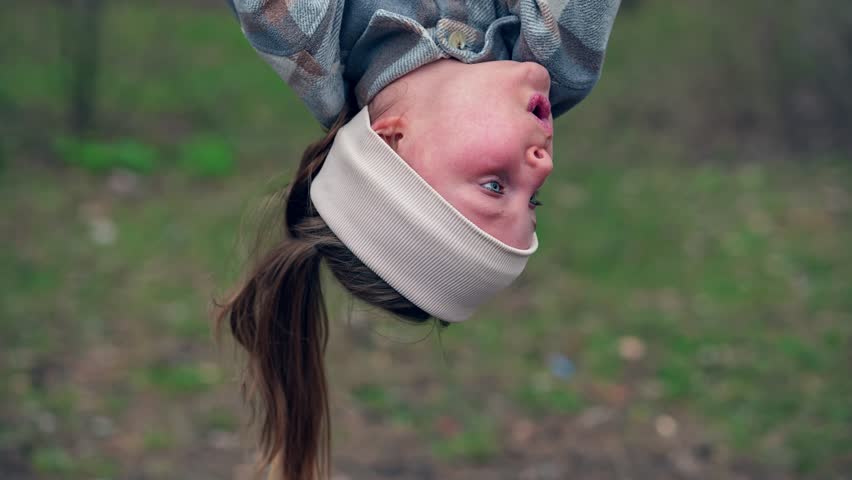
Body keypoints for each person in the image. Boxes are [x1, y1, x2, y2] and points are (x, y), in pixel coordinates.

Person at [216, 1, 620, 478]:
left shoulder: (293, 28)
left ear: (392, 140)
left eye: (495, 187)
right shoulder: (562, 55)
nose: (544, 165)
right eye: (534, 201)